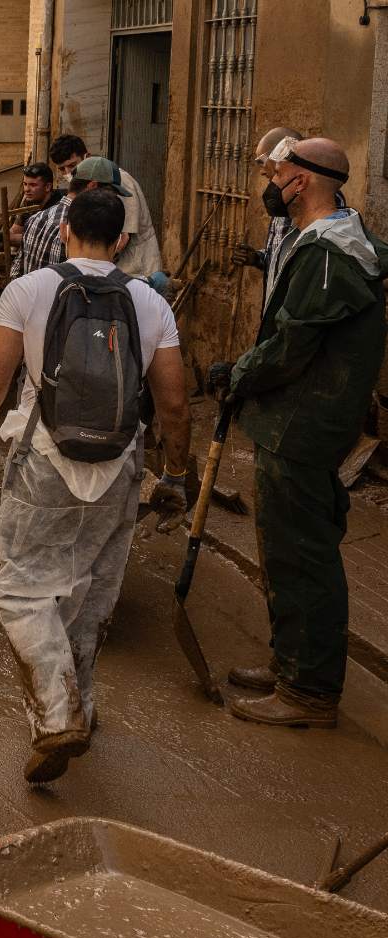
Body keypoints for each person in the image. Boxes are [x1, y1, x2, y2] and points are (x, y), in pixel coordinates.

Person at [0, 189, 191, 783]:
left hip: (43, 461)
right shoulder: (150, 302)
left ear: (64, 233)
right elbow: (176, 404)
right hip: (120, 466)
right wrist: (176, 477)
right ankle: (79, 706)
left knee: (20, 592)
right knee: (89, 598)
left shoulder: (28, 291)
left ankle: (58, 714)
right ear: (123, 243)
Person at [208, 138, 388, 728]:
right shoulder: (335, 237)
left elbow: (289, 349)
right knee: (287, 550)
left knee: (300, 553)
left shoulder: (329, 254)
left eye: (278, 171)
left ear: (303, 182)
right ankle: (292, 663)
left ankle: (308, 689)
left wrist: (235, 375)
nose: (271, 181)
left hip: (303, 425)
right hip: (299, 420)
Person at [49, 134, 161, 279]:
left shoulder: (118, 182)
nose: (68, 173)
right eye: (62, 169)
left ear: (86, 156)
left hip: (136, 270)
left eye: (72, 166)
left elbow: (123, 239)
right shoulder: (86, 186)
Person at [233, 127, 310, 312]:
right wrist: (257, 258)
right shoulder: (281, 201)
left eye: (262, 161)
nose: (261, 171)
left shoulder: (307, 201)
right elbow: (280, 257)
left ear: (280, 155)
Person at [7, 163, 60, 252]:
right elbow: (15, 231)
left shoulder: (59, 205)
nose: (26, 189)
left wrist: (9, 239)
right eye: (25, 184)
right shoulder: (29, 203)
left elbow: (43, 240)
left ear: (47, 187)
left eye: (33, 185)